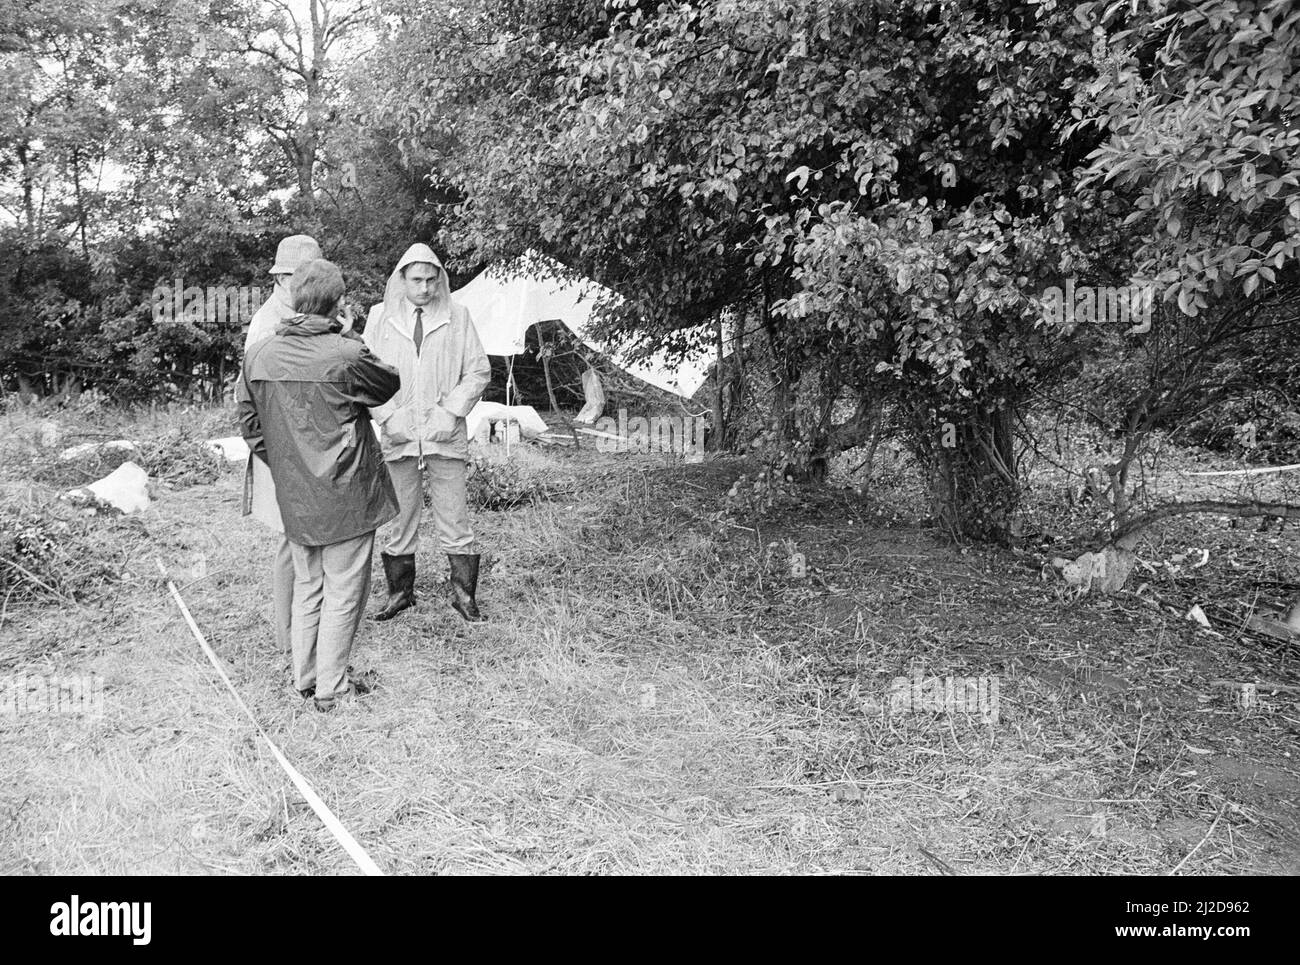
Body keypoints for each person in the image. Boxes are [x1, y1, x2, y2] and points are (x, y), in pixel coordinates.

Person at [237, 258, 401, 712]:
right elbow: (389, 383)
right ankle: (332, 689)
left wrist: (288, 464)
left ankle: (305, 679)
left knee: (309, 586)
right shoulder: (345, 354)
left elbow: (249, 425)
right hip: (347, 492)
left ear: (292, 296)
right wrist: (348, 334)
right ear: (338, 303)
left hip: (295, 494)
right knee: (344, 591)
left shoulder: (260, 353)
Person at [363, 243, 492, 622]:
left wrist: (450, 412)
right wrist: (388, 416)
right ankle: (400, 594)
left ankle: (464, 596)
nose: (424, 288)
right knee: (400, 517)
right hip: (399, 436)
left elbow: (478, 371)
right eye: (416, 280)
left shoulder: (458, 316)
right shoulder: (380, 318)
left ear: (440, 280)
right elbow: (365, 374)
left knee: (454, 516)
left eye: (431, 280)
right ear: (400, 279)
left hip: (444, 435)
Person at [242, 234, 324, 655]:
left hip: (311, 445)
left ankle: (308, 629)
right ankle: (288, 637)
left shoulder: (310, 314)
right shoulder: (267, 322)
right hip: (281, 447)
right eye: (298, 277)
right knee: (291, 541)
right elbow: (252, 400)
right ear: (283, 278)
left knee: (309, 537)